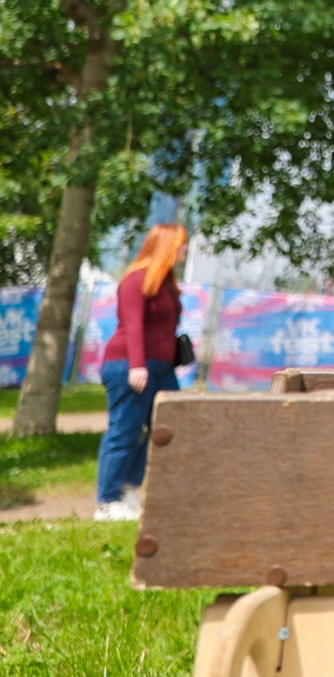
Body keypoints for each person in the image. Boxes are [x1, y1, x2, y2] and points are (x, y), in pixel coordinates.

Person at [95, 224, 188, 522]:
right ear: (168, 245)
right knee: (125, 430)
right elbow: (133, 325)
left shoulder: (165, 282)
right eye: (182, 244)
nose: (185, 250)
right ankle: (107, 502)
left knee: (170, 425)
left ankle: (128, 487)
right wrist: (137, 365)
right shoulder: (136, 279)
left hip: (161, 369)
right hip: (129, 365)